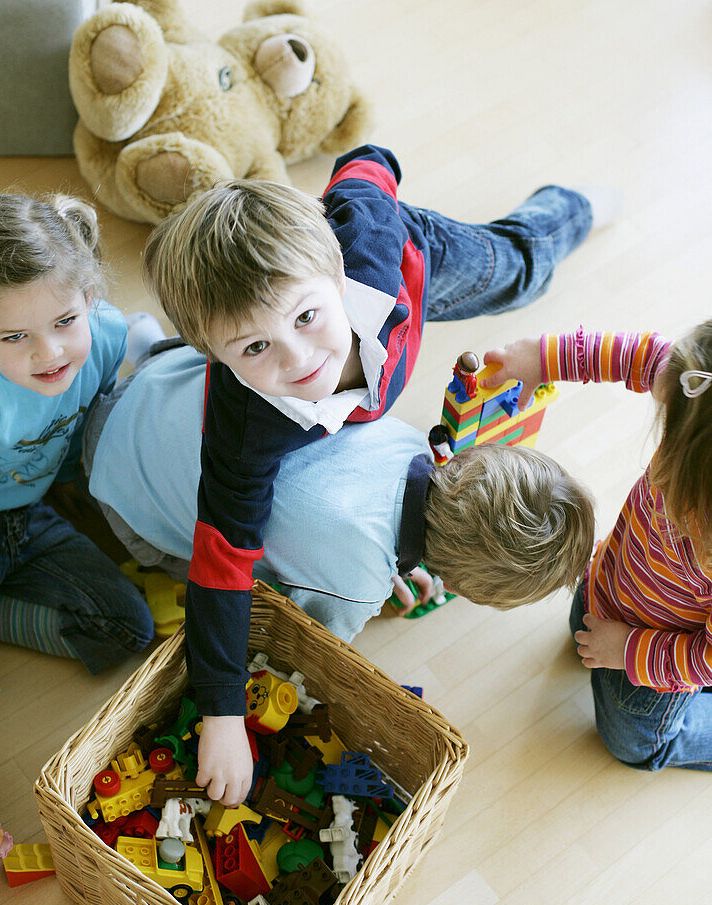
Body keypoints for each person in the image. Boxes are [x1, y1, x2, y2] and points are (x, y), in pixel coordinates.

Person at [141, 144, 615, 805]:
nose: (301, 359)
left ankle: (577, 205)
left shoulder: (370, 242)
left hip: (424, 259)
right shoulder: (242, 420)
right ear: (213, 358)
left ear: (336, 277)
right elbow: (221, 566)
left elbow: (367, 166)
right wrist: (221, 713)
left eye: (306, 317)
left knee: (521, 270)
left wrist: (369, 164)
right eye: (254, 347)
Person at [85, 341, 596, 803]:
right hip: (114, 480)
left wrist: (373, 568)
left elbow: (342, 503)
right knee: (239, 580)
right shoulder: (355, 590)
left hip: (162, 379)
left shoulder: (405, 439)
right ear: (462, 585)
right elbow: (300, 648)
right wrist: (359, 593)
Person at [484, 321, 712, 771]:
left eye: (680, 496)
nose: (661, 474)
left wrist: (628, 649)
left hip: (659, 654)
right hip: (610, 588)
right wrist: (545, 357)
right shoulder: (698, 397)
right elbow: (638, 356)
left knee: (633, 743)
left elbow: (704, 660)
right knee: (579, 630)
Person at [0, 193, 154, 692]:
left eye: (65, 322)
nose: (50, 354)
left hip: (34, 511)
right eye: (15, 337)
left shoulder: (108, 334)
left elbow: (87, 425)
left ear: (88, 296)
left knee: (129, 627)